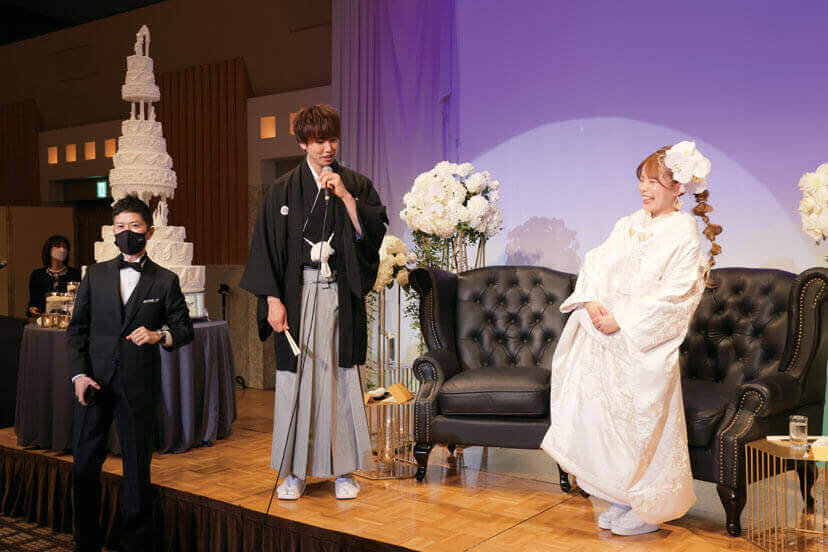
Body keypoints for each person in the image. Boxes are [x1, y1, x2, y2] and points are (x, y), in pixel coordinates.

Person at [540, 142, 722, 536]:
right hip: (608, 339)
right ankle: (624, 496)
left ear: (678, 187)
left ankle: (650, 506)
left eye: (654, 181)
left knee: (644, 426)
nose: (644, 188)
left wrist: (622, 319)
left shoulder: (683, 233)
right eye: (641, 180)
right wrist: (592, 303)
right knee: (611, 424)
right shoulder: (629, 223)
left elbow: (677, 294)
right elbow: (596, 262)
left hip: (642, 344)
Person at [240, 104, 387, 500]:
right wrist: (273, 301)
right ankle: (294, 472)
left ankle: (344, 472)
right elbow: (265, 248)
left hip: (340, 294)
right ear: (303, 142)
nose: (328, 148)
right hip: (298, 293)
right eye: (319, 140)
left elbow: (373, 234)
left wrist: (347, 199)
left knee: (341, 381)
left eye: (333, 139)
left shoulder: (355, 183)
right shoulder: (282, 190)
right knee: (298, 383)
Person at [67, 195, 194, 551]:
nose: (126, 233)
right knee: (83, 467)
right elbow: (77, 330)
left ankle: (136, 544)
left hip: (138, 386)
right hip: (93, 384)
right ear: (113, 231)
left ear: (149, 231)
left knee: (137, 472)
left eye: (134, 226)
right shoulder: (95, 275)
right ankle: (86, 543)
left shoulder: (165, 280)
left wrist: (159, 335)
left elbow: (184, 329)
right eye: (120, 226)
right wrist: (79, 375)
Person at [27, 235, 82, 317]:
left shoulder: (76, 274)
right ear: (49, 250)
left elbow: (80, 301)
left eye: (65, 247)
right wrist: (32, 309)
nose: (62, 250)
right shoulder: (37, 275)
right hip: (45, 320)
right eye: (58, 246)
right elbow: (33, 302)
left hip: (68, 320)